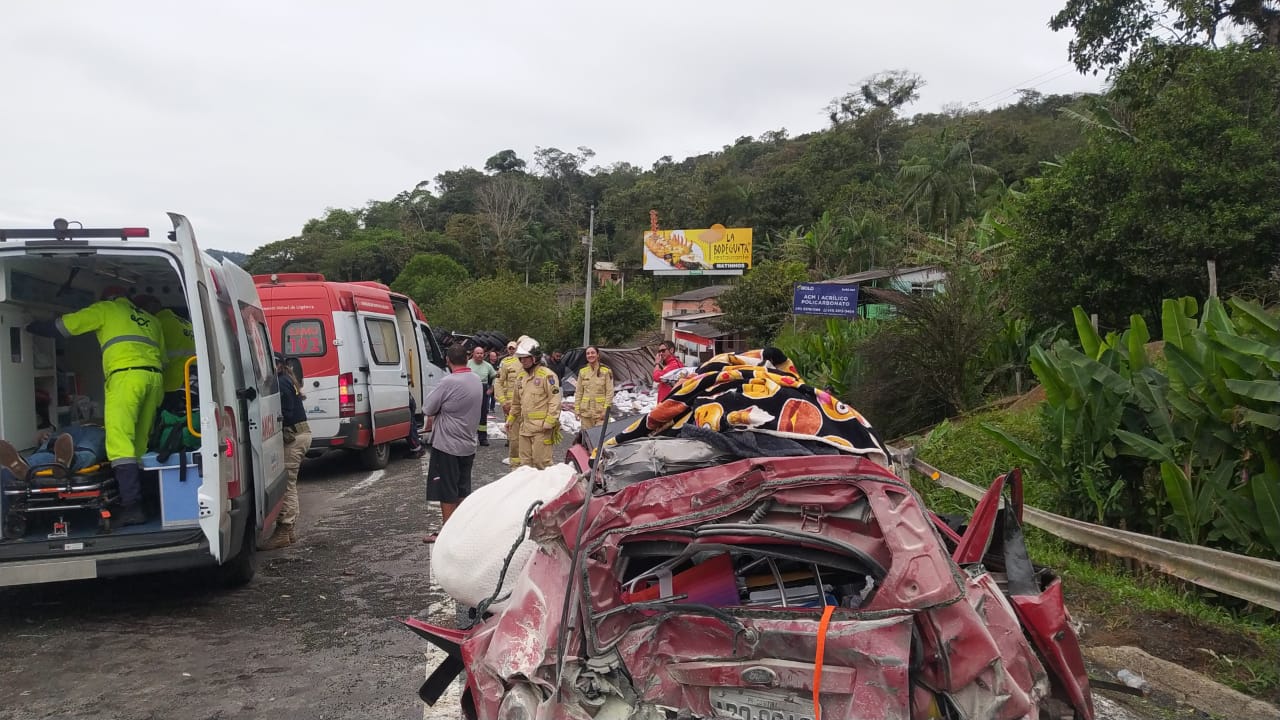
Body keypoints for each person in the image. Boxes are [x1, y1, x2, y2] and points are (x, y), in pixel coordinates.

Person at [26, 287, 165, 526]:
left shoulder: (107, 309)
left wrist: (29, 326)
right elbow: (163, 356)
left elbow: (62, 327)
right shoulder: (149, 319)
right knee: (140, 443)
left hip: (126, 378)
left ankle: (132, 507)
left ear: (106, 298)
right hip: (154, 379)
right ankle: (149, 501)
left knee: (119, 442)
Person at [421, 344, 483, 543]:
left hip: (447, 444)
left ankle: (447, 535)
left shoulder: (448, 382)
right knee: (462, 489)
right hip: (468, 443)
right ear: (467, 359)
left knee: (446, 491)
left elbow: (428, 408)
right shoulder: (475, 379)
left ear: (448, 361)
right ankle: (463, 529)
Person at [263, 352, 311, 550]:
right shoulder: (287, 380)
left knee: (287, 485)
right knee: (289, 483)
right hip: (300, 436)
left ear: (276, 365)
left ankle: (284, 529)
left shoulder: (281, 383)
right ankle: (289, 532)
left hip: (294, 438)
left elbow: (286, 412)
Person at [135, 296, 196, 409]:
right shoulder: (184, 323)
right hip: (190, 383)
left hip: (170, 384)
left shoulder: (159, 323)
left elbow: (154, 355)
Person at [0, 422, 107, 486]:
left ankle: (25, 465)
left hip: (73, 430)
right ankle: (66, 462)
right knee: (87, 450)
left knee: (48, 452)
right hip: (93, 430)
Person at [509, 337, 560, 470]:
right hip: (524, 429)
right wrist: (510, 419)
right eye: (521, 358)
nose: (523, 361)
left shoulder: (547, 376)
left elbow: (555, 401)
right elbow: (516, 403)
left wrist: (549, 423)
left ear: (535, 358)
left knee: (542, 463)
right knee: (525, 466)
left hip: (541, 430)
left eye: (526, 357)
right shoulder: (520, 377)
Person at [496, 339, 523, 464]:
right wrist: (503, 402)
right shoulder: (505, 363)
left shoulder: (526, 361)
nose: (512, 350)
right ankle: (515, 459)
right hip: (510, 403)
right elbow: (498, 383)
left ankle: (526, 457)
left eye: (514, 348)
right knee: (512, 430)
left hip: (527, 403)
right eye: (510, 348)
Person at [574, 346, 614, 431]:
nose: (590, 355)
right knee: (587, 439)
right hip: (586, 412)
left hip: (600, 413)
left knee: (599, 439)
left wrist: (605, 410)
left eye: (592, 353)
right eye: (588, 353)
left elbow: (609, 393)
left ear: (598, 355)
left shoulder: (606, 371)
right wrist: (577, 409)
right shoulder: (583, 372)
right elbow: (579, 392)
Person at [467, 345, 497, 446]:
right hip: (469, 390)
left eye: (481, 353)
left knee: (482, 415)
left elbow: (495, 377)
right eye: (477, 353)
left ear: (484, 355)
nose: (480, 355)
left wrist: (491, 389)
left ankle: (482, 438)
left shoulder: (488, 366)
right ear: (473, 354)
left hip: (483, 390)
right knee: (469, 414)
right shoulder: (467, 363)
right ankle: (468, 437)